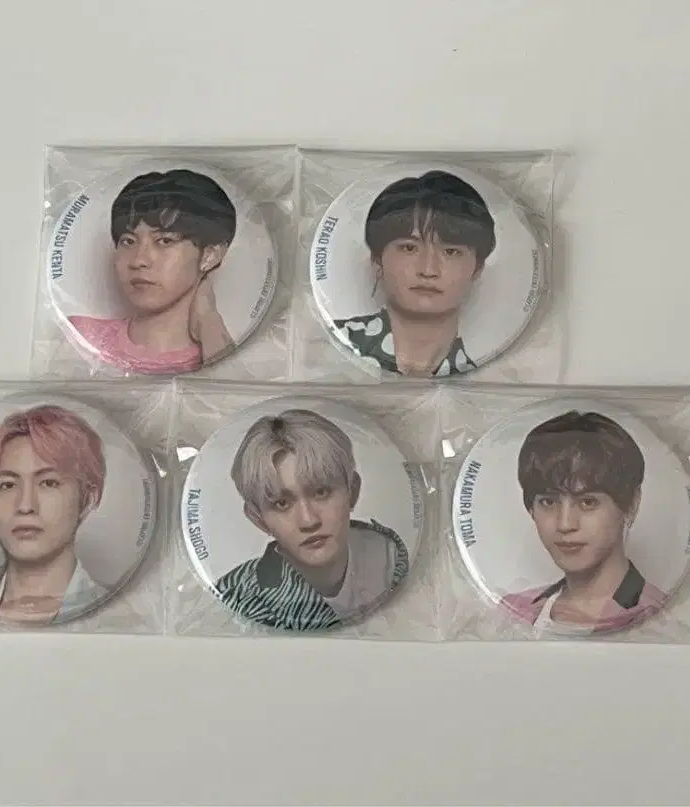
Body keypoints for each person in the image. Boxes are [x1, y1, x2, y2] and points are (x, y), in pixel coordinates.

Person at [216, 409, 409, 631]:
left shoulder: (391, 556)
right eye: (281, 503)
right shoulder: (238, 595)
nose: (309, 521)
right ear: (258, 519)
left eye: (321, 492)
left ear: (353, 491)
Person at [501, 410, 667, 634]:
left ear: (631, 504)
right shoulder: (509, 611)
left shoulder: (664, 618)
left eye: (588, 502)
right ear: (531, 508)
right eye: (549, 502)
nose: (565, 524)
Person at [0, 405, 108, 626]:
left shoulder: (117, 620)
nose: (25, 505)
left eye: (49, 483)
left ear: (88, 499)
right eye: (8, 485)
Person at [70, 169, 237, 374]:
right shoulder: (80, 338)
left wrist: (209, 322)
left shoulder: (225, 349)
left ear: (210, 255)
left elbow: (234, 392)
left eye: (164, 241)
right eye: (128, 241)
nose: (138, 261)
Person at [334, 170, 496, 376]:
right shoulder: (328, 345)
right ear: (377, 259)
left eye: (451, 251)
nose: (428, 270)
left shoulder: (488, 376)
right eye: (409, 248)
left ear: (478, 268)